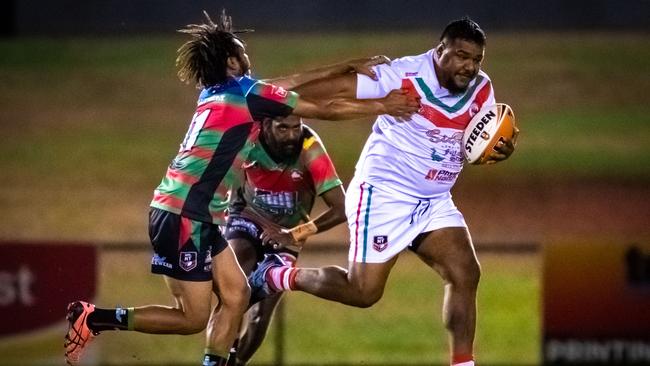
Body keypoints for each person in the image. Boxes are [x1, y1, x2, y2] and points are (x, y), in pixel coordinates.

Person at [63, 10, 419, 366]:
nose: (248, 56)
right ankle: (94, 318)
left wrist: (344, 67)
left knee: (237, 294)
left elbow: (287, 81)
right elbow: (321, 107)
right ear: (232, 61)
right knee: (192, 317)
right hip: (187, 214)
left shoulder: (218, 92)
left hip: (194, 211)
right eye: (242, 51)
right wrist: (382, 105)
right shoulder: (246, 95)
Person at [249, 17, 519, 366]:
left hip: (433, 200)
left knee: (465, 272)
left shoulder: (481, 88)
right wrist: (277, 97)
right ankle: (276, 275)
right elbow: (335, 92)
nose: (469, 66)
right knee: (362, 293)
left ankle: (463, 364)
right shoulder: (402, 76)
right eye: (460, 55)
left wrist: (499, 147)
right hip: (384, 193)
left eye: (476, 59)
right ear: (439, 51)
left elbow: (481, 137)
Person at [224, 114, 346, 365]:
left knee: (261, 313)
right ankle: (221, 354)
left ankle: (236, 362)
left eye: (296, 127)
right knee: (236, 279)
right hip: (247, 215)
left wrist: (294, 234)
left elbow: (342, 208)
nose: (291, 135)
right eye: (283, 128)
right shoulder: (248, 137)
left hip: (288, 233)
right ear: (265, 125)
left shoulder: (310, 149)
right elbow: (217, 171)